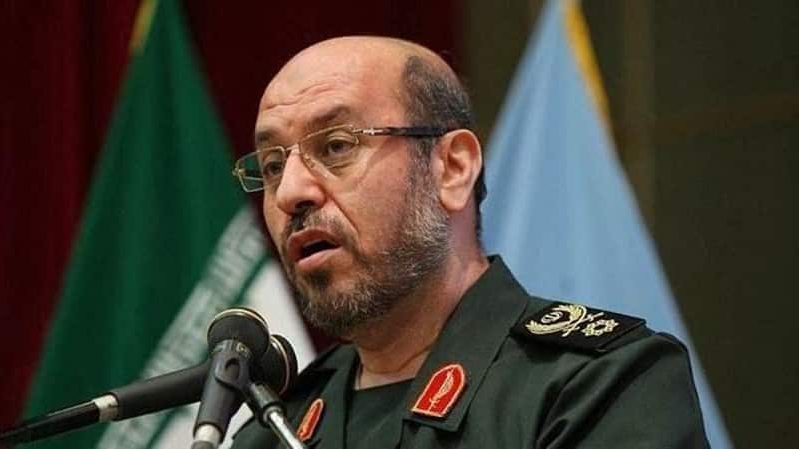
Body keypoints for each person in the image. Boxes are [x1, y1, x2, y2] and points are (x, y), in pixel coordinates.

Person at [230, 36, 709, 449]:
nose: (290, 192)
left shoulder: (600, 385)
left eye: (337, 146)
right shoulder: (272, 431)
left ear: (453, 169)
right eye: (272, 166)